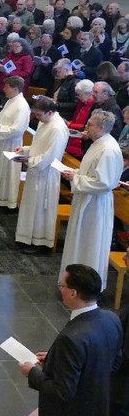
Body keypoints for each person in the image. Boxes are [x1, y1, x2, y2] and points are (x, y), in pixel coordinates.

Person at [18, 264, 121, 416]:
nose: (61, 290)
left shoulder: (72, 338)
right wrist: (55, 359)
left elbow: (61, 391)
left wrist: (32, 372)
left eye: (62, 286)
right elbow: (112, 363)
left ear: (73, 293)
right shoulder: (110, 320)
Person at [60, 109, 122, 289]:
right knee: (80, 241)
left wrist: (76, 179)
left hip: (96, 205)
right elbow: (91, 172)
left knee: (90, 244)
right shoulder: (98, 143)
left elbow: (105, 182)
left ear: (101, 128)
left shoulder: (108, 149)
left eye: (90, 124)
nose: (86, 126)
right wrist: (76, 173)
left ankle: (88, 288)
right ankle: (75, 281)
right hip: (86, 200)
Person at [13, 97, 70, 253]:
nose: (36, 118)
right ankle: (27, 237)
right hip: (36, 170)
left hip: (46, 174)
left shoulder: (58, 128)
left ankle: (40, 243)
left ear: (50, 112)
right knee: (32, 205)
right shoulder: (45, 122)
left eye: (39, 115)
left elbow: (51, 156)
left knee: (41, 209)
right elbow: (39, 145)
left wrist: (29, 160)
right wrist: (25, 150)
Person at [0, 77, 30, 210]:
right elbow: (6, 120)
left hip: (12, 144)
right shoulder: (11, 101)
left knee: (8, 173)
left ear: (15, 89)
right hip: (4, 142)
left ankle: (7, 203)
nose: (4, 89)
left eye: (6, 87)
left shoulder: (21, 106)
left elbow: (17, 129)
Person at [65, 80, 96, 159]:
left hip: (80, 143)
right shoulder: (81, 103)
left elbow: (86, 125)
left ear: (88, 93)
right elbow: (76, 119)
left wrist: (70, 125)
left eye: (79, 94)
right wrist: (69, 122)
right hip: (73, 140)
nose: (78, 97)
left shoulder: (92, 106)